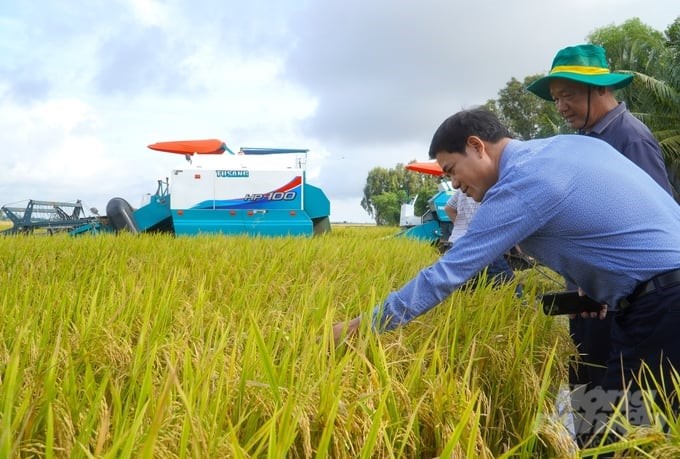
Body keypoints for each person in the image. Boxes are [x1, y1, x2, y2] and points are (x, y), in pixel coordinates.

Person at [333, 107, 680, 443]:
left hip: (663, 307)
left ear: (476, 146)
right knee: (622, 422)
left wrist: (361, 327)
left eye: (452, 170)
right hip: (651, 298)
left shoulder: (520, 185)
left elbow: (444, 275)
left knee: (616, 438)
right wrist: (604, 288)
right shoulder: (567, 146)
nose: (454, 185)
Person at [526, 44, 675, 398]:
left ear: (602, 89)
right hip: (594, 299)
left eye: (569, 96)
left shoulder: (629, 140)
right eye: (556, 98)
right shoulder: (589, 141)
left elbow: (660, 228)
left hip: (624, 304)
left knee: (616, 405)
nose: (560, 107)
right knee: (585, 390)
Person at [444, 190, 516, 289]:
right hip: (481, 247)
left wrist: (460, 228)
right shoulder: (489, 188)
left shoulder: (462, 188)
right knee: (511, 289)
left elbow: (448, 208)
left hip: (455, 243)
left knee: (462, 291)